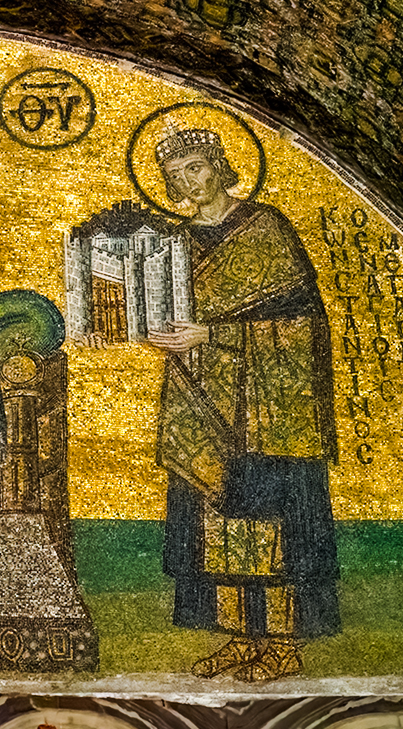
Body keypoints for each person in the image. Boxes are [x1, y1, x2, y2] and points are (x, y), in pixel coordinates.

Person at [144, 127, 338, 682]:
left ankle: (279, 643)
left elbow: (304, 327)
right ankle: (236, 639)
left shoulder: (266, 229)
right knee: (216, 522)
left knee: (270, 522)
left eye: (196, 168)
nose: (188, 182)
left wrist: (212, 336)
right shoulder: (174, 244)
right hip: (202, 399)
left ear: (219, 166)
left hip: (268, 407)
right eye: (176, 175)